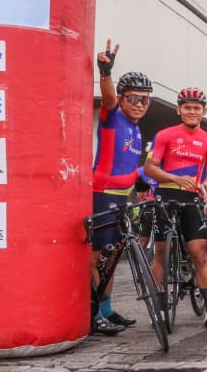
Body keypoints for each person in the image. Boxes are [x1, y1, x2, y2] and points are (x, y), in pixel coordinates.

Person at [145, 87, 207, 328]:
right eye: (187, 107)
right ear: (179, 110)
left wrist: (204, 185)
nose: (191, 111)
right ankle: (158, 308)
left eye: (196, 108)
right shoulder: (165, 135)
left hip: (192, 198)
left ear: (204, 112)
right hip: (165, 196)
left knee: (199, 253)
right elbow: (150, 168)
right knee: (160, 252)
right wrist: (175, 179)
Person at [90, 39, 149, 335]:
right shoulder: (113, 116)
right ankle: (91, 315)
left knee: (111, 257)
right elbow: (109, 98)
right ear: (124, 99)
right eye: (133, 98)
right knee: (96, 257)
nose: (139, 104)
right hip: (101, 196)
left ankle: (107, 309)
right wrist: (106, 73)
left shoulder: (137, 129)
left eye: (144, 99)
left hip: (121, 200)